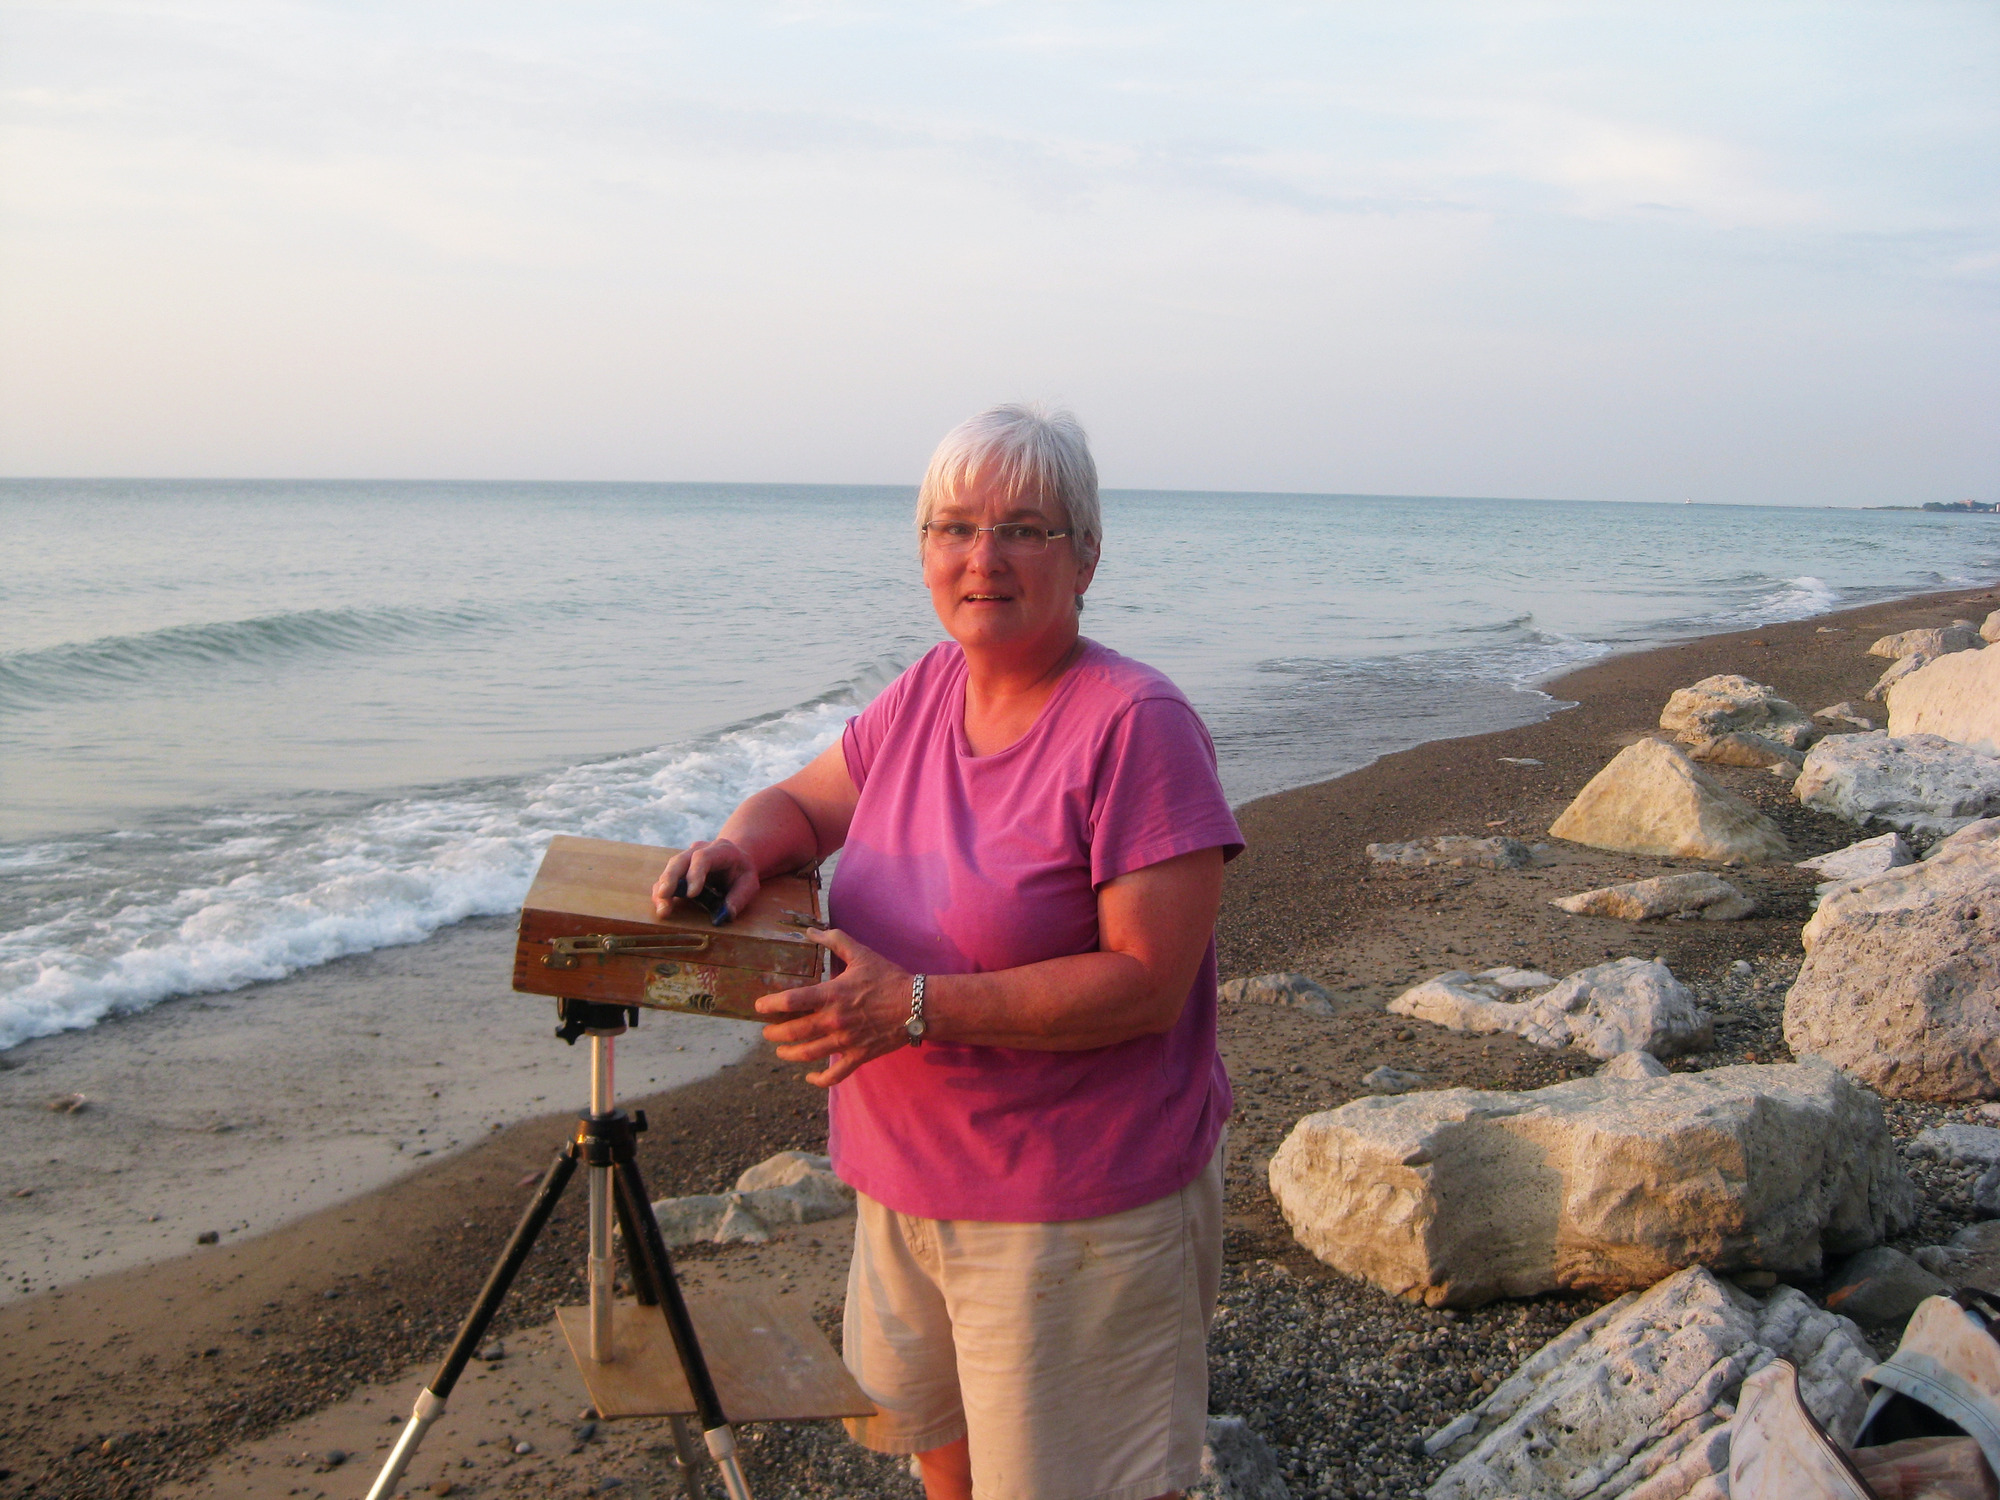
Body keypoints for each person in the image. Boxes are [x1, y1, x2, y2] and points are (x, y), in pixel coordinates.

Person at [651, 404, 1243, 1500]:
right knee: (944, 1458)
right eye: (952, 527)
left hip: (1075, 1214)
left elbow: (1146, 986)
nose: (983, 558)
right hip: (904, 1183)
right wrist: (740, 848)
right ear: (922, 552)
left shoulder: (1134, 724)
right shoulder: (925, 691)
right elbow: (803, 803)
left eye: (1024, 527)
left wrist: (912, 1007)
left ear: (1087, 557)